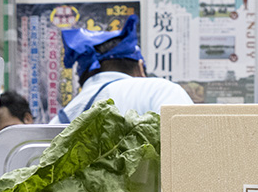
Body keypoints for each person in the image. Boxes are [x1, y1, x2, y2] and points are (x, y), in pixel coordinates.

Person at [49, 15, 192, 124]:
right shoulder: (161, 91)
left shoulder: (60, 120)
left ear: (82, 76)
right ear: (140, 67)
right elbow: (193, 150)